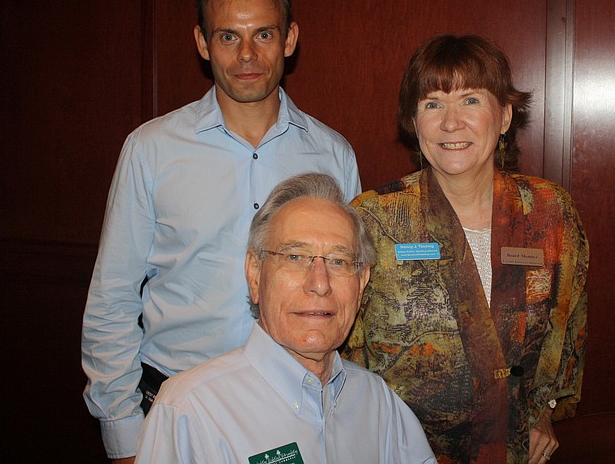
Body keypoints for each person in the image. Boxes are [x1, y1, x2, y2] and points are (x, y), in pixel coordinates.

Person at [81, 0, 361, 463]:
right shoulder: (151, 149)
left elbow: (347, 285)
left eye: (264, 34)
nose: (247, 54)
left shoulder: (332, 155)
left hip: (298, 409)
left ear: (290, 39)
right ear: (203, 42)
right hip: (174, 407)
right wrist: (123, 432)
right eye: (228, 35)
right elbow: (112, 298)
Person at [342, 34, 589, 464]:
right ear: (413, 122)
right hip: (398, 450)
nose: (451, 123)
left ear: (506, 115)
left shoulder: (550, 213)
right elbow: (342, 348)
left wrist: (544, 410)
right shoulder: (372, 219)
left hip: (515, 451)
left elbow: (566, 330)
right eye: (432, 104)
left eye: (471, 100)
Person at [135, 173, 436, 463]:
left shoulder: (378, 404)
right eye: (295, 257)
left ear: (361, 283)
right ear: (255, 273)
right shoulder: (189, 411)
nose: (319, 283)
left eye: (339, 261)